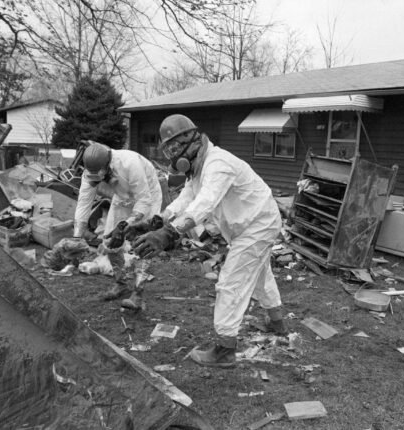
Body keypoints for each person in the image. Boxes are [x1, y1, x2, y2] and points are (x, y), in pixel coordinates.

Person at [133, 114, 287, 368]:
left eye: (174, 146)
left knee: (230, 283)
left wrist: (169, 234)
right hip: (249, 224)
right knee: (260, 275)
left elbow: (204, 204)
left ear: (190, 139)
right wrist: (157, 221)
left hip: (258, 225)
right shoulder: (199, 166)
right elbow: (186, 199)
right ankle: (277, 321)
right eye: (168, 148)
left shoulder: (218, 164)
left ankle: (225, 350)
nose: (172, 153)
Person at [74, 141, 163, 309]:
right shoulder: (90, 173)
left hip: (147, 198)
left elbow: (144, 201)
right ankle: (121, 283)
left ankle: (137, 293)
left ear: (107, 165)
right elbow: (83, 203)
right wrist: (77, 236)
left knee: (143, 245)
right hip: (121, 198)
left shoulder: (130, 163)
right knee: (110, 242)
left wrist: (125, 226)